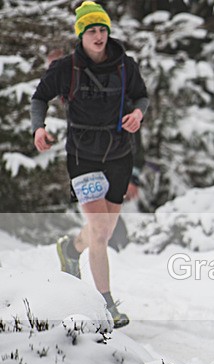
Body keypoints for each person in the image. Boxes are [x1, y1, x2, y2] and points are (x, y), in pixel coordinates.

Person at [31, 1, 148, 328]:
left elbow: (142, 96)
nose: (98, 36)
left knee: (103, 231)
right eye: (91, 30)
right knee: (99, 231)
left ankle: (71, 249)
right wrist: (38, 127)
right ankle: (106, 303)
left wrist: (138, 114)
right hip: (83, 157)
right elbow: (39, 97)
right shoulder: (66, 68)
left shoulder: (125, 66)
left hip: (119, 155)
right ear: (81, 35)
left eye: (102, 30)